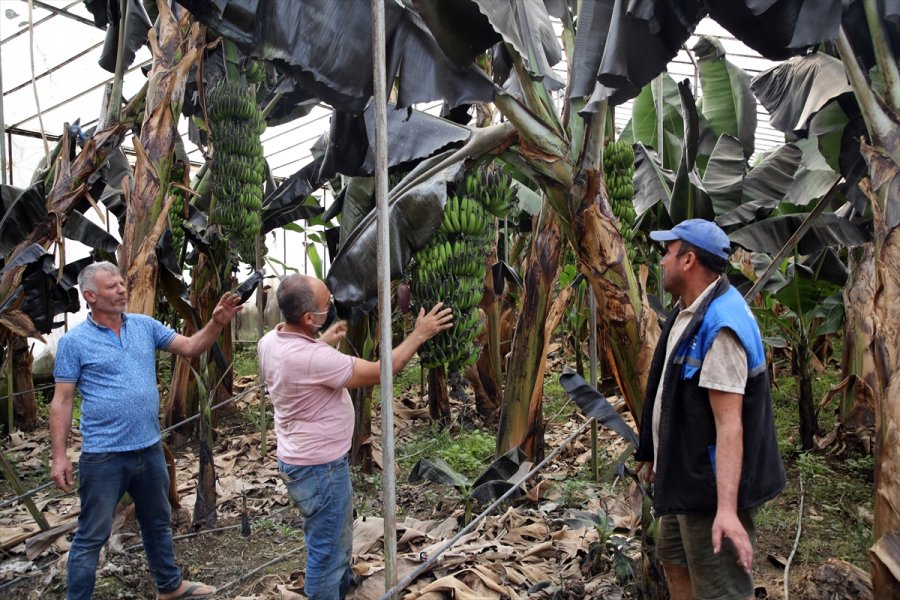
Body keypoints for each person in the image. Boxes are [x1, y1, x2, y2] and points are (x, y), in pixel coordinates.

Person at [50, 261, 244, 600]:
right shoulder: (74, 342)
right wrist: (58, 456)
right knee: (91, 535)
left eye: (122, 283)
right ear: (90, 296)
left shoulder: (144, 325)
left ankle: (169, 587)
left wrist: (216, 323)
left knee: (157, 522)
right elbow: (62, 401)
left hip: (149, 449)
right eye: (112, 286)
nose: (122, 289)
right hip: (104, 455)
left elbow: (190, 347)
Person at [257, 274, 452, 600]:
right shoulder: (315, 359)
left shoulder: (270, 341)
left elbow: (302, 359)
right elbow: (380, 372)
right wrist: (420, 334)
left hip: (299, 462)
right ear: (308, 319)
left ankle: (341, 588)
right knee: (326, 552)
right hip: (321, 470)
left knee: (331, 536)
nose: (331, 305)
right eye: (325, 305)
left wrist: (323, 340)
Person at [634, 219, 786, 600]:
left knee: (720, 590)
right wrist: (655, 455)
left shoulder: (721, 328)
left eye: (668, 253)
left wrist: (727, 509)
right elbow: (674, 394)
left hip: (709, 489)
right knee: (675, 561)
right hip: (683, 476)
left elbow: (729, 425)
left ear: (688, 260)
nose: (662, 261)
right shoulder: (692, 310)